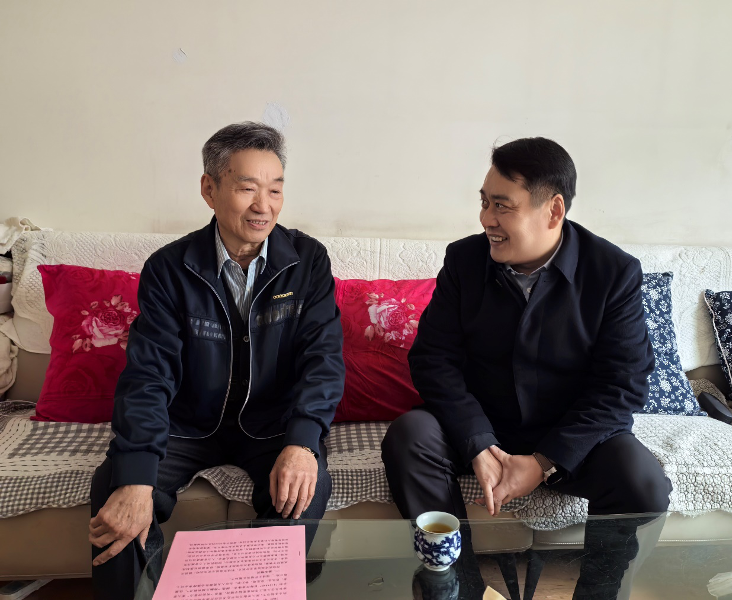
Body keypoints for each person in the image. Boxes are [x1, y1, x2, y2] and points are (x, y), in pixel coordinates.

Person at [382, 137, 672, 599]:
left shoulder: (612, 272)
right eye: (484, 202)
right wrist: (478, 443)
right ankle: (461, 590)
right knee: (409, 436)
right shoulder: (464, 260)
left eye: (502, 206)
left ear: (553, 211)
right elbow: (434, 359)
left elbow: (623, 384)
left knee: (642, 482)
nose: (486, 219)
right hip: (481, 424)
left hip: (569, 434)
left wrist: (543, 462)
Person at [88, 122, 345, 600]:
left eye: (275, 189)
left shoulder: (307, 260)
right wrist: (137, 476)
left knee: (305, 490)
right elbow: (149, 374)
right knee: (115, 487)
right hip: (186, 426)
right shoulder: (169, 268)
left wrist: (303, 442)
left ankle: (249, 592)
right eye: (247, 188)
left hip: (272, 426)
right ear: (209, 189)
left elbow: (323, 359)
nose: (263, 206)